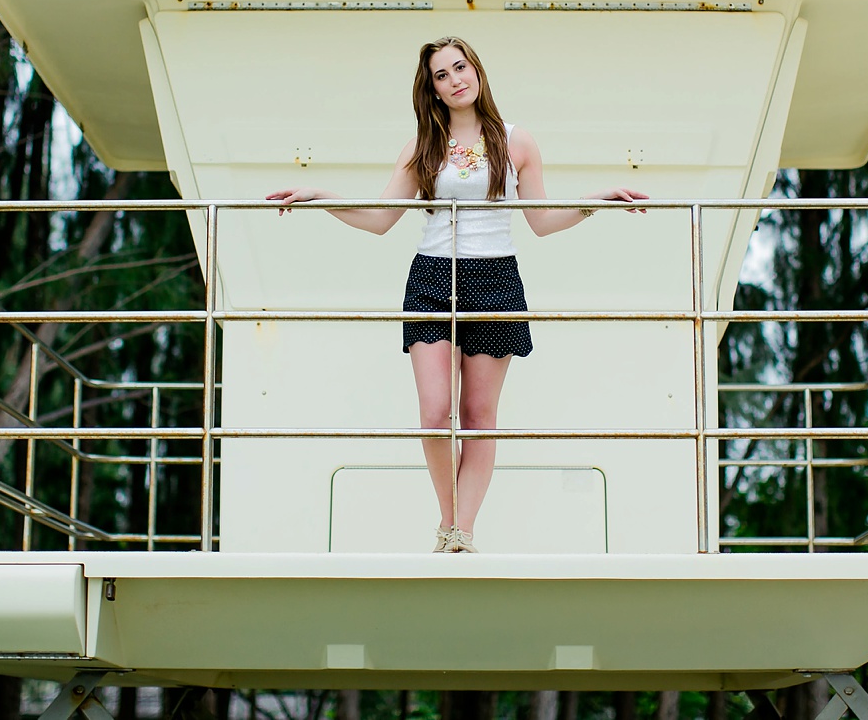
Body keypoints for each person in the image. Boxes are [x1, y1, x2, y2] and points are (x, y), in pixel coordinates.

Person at [266, 36, 646, 553]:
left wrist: (598, 200)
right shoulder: (422, 144)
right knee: (434, 411)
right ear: (434, 89)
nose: (454, 80)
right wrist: (319, 197)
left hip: (494, 278)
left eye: (460, 67)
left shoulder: (517, 141)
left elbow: (541, 220)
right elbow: (379, 219)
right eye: (442, 75)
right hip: (431, 277)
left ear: (477, 70)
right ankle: (448, 522)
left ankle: (463, 532)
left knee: (479, 417)